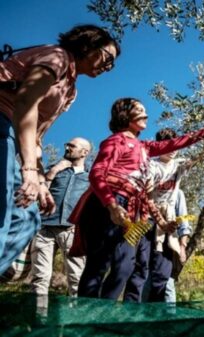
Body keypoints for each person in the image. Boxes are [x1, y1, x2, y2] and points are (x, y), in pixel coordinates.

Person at [0, 24, 120, 275]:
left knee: (28, 220)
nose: (108, 68)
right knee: (5, 214)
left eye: (112, 65)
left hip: (15, 139)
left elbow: (37, 136)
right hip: (2, 122)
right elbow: (25, 101)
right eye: (107, 58)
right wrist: (28, 169)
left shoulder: (71, 90)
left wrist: (40, 181)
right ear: (87, 45)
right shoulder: (57, 57)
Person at [71, 97, 204, 300]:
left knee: (125, 267)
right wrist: (111, 206)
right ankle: (84, 315)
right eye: (140, 110)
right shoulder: (116, 141)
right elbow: (97, 173)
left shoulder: (144, 147)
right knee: (98, 264)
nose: (146, 114)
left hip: (132, 212)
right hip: (108, 205)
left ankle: (102, 311)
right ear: (125, 116)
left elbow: (175, 143)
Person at [124, 128, 195, 302]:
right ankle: (131, 314)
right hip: (146, 222)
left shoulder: (178, 166)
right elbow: (145, 196)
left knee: (163, 273)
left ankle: (154, 315)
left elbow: (199, 156)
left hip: (166, 227)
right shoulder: (151, 166)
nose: (172, 151)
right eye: (167, 147)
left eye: (175, 146)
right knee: (140, 269)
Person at [30, 137, 91, 297]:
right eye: (67, 144)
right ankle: (38, 319)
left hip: (72, 231)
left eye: (72, 145)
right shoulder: (55, 170)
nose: (67, 147)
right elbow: (40, 190)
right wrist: (55, 169)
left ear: (84, 152)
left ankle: (75, 320)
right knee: (40, 278)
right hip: (44, 229)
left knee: (76, 279)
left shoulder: (90, 177)